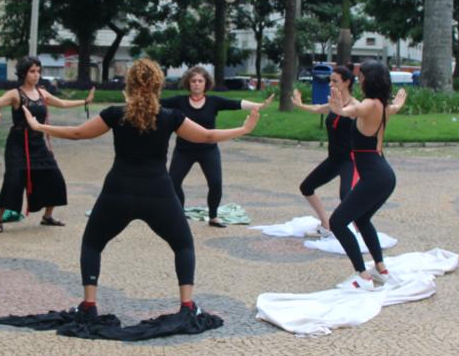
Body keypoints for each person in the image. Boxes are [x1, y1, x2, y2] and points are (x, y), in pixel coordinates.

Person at [20, 58, 259, 316]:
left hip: (118, 191)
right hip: (159, 193)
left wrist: (39, 126)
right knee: (183, 245)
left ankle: (89, 304)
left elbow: (78, 133)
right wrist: (243, 129)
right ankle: (187, 305)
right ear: (158, 85)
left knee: (92, 243)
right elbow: (207, 136)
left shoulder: (115, 114)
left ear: (130, 85)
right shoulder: (170, 116)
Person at [0, 57, 94, 232]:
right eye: (32, 71)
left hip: (38, 143)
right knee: (13, 180)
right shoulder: (15, 94)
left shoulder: (42, 93)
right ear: (24, 73)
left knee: (54, 176)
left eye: (38, 71)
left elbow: (62, 103)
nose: (36, 74)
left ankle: (47, 217)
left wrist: (84, 101)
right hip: (18, 144)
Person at [326, 59, 406, 286]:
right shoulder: (383, 106)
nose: (359, 80)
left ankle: (363, 275)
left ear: (369, 80)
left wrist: (341, 110)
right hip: (384, 175)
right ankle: (381, 269)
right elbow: (393, 108)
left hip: (375, 176)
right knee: (361, 219)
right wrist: (398, 104)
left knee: (337, 222)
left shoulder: (369, 104)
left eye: (361, 76)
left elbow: (355, 110)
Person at [160, 66, 272, 228]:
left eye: (200, 81)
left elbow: (236, 103)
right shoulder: (179, 101)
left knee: (215, 183)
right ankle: (180, 214)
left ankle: (213, 216)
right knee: (174, 183)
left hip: (208, 150)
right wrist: (134, 99)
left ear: (206, 83)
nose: (197, 84)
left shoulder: (213, 101)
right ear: (188, 83)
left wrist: (259, 105)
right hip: (184, 151)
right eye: (193, 81)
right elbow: (156, 103)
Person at [290, 65, 357, 235]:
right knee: (306, 187)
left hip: (349, 160)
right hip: (334, 159)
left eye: (335, 81)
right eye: (330, 81)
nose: (330, 84)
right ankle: (326, 225)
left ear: (347, 82)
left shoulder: (355, 106)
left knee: (347, 197)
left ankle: (360, 232)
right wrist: (300, 105)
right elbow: (319, 108)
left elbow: (368, 120)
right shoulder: (334, 103)